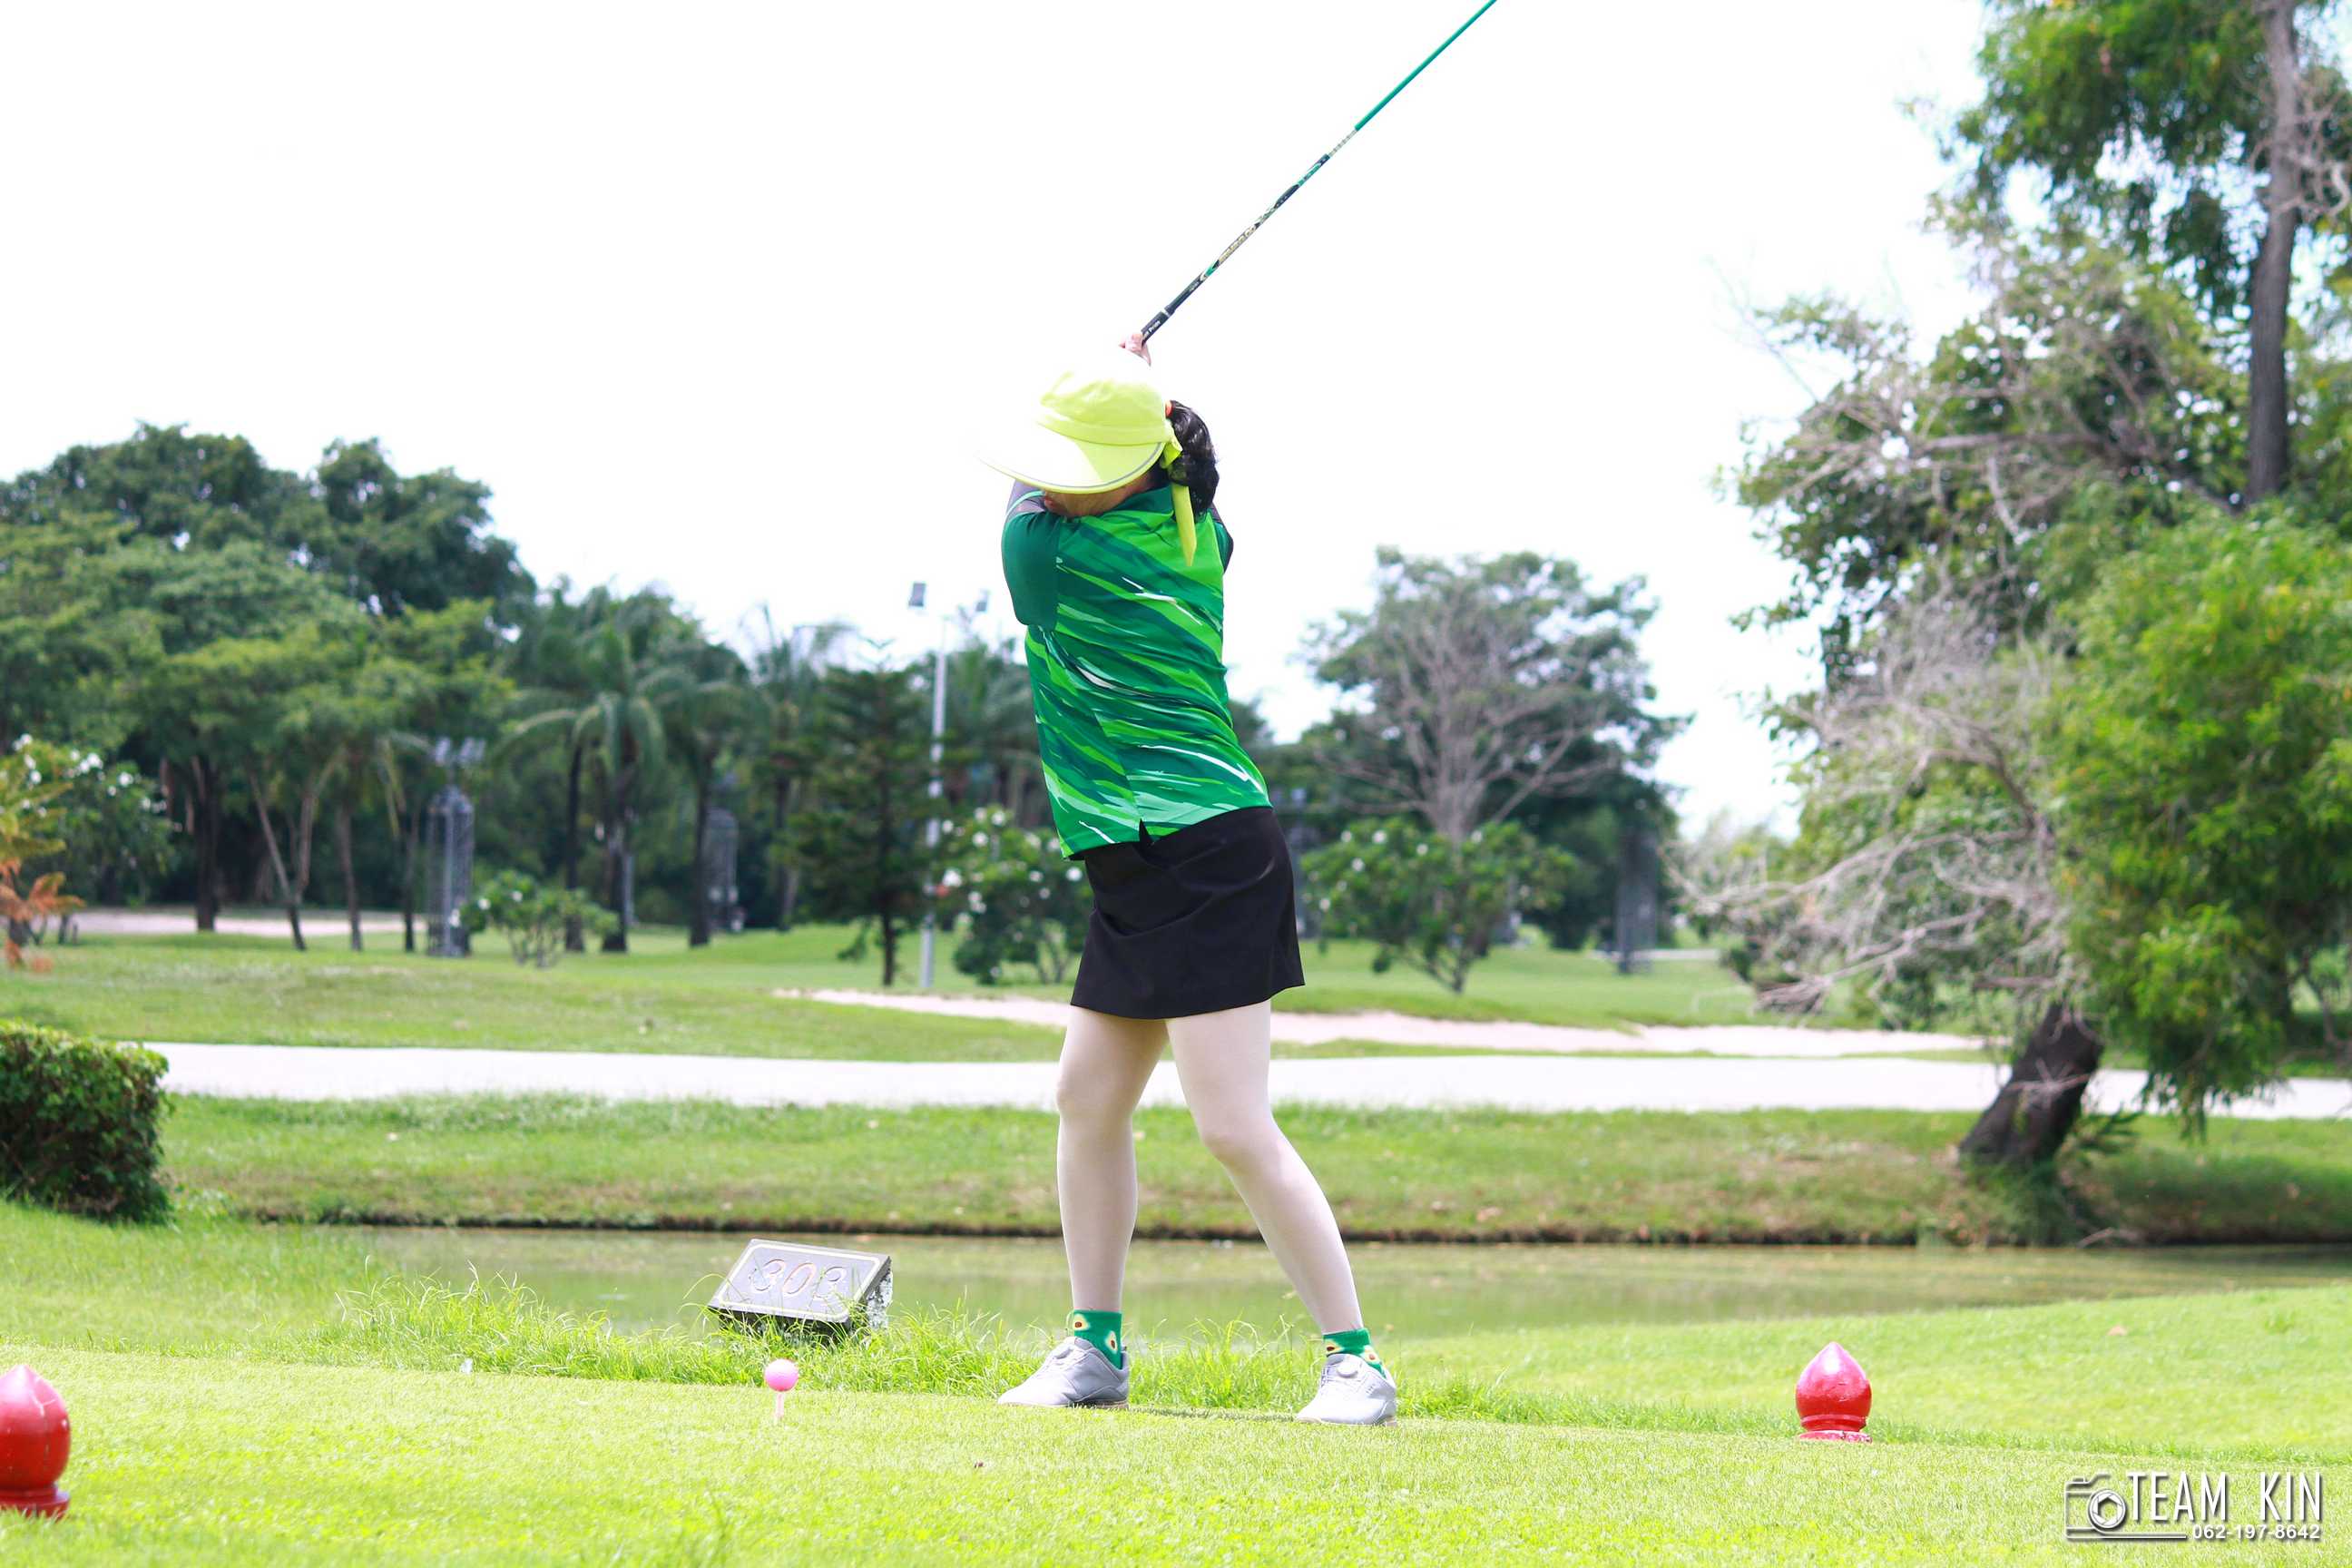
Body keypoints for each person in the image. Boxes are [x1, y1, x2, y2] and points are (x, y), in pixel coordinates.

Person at [975, 350, 1395, 1426]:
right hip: (1136, 858)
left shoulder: (1050, 552)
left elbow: (1021, 505)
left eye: (1078, 464)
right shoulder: (1198, 530)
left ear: (1133, 466)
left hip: (1206, 854)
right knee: (1087, 1100)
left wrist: (1116, 387)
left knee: (1232, 1126)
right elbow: (1157, 477)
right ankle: (1095, 1350)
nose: (1055, 480)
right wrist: (1130, 401)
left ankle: (1356, 1365)